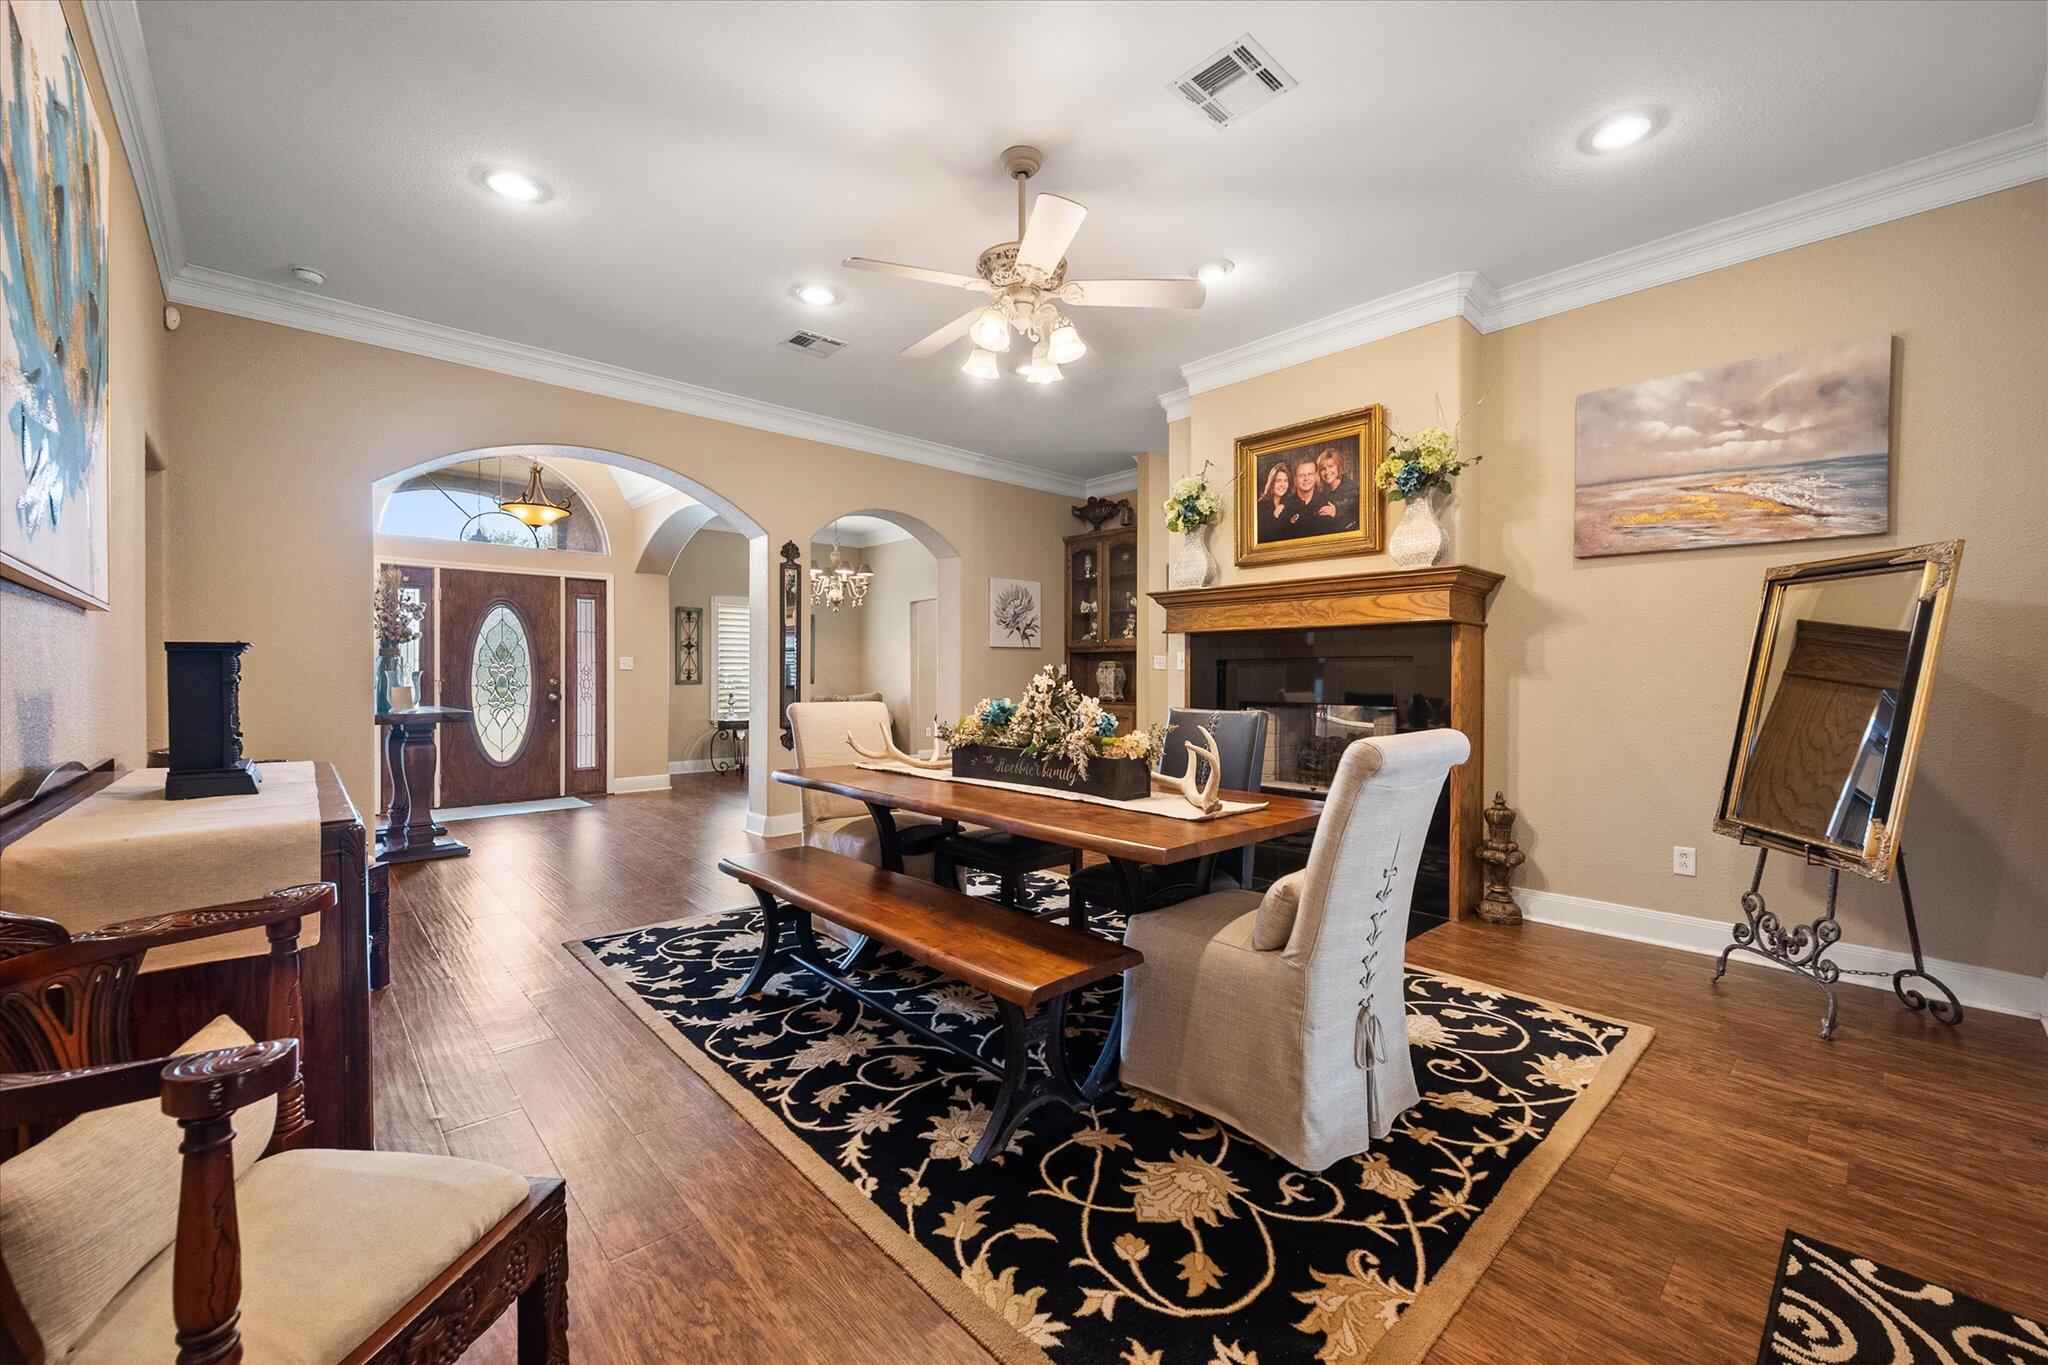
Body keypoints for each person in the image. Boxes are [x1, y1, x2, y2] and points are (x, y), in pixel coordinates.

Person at [1315, 444, 1358, 530]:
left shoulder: (1352, 489)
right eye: (1323, 469)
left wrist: (1336, 512)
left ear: (1338, 467)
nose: (1327, 472)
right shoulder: (1323, 490)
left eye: (1331, 466)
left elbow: (1356, 521)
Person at [1256, 460, 1293, 542]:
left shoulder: (1288, 503)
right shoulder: (1261, 505)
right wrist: (1275, 516)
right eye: (1278, 481)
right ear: (1271, 483)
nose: (1282, 485)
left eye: (1285, 480)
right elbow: (1262, 537)